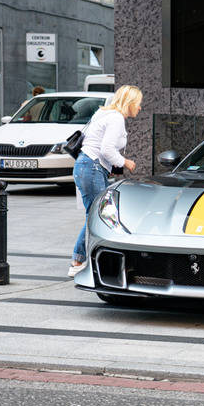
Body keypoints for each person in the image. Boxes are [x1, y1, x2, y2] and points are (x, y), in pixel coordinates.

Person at [68, 85, 142, 277]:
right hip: (91, 167)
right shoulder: (116, 118)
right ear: (130, 102)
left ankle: (81, 259)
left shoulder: (104, 113)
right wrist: (125, 162)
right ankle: (78, 261)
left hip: (87, 166)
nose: (140, 108)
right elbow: (107, 149)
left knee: (95, 214)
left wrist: (112, 166)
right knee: (97, 216)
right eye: (139, 103)